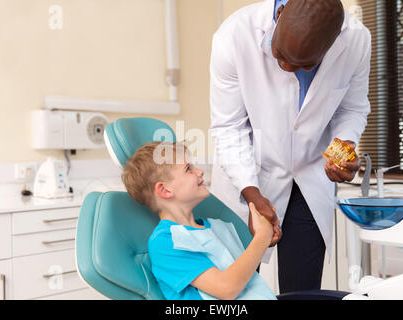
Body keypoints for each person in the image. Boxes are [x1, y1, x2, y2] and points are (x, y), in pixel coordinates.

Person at [209, 0, 371, 293]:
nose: (287, 67)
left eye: (305, 64)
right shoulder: (234, 35)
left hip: (309, 180)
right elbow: (229, 127)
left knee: (303, 291)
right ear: (279, 15)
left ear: (333, 44)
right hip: (247, 176)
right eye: (280, 54)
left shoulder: (356, 40)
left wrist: (345, 149)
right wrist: (250, 191)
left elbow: (352, 108)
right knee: (234, 291)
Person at [121, 141, 277, 300]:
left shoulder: (218, 227)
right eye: (188, 169)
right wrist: (262, 236)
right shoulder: (166, 242)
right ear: (165, 190)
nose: (200, 172)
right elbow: (227, 289)